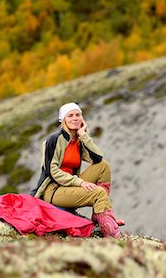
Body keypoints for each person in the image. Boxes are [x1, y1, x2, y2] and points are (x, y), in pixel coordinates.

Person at [30, 102, 124, 238]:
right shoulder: (54, 140)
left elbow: (97, 158)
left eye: (78, 115)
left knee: (104, 166)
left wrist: (84, 135)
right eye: (70, 116)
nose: (75, 118)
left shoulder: (78, 141)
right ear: (63, 120)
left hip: (71, 185)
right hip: (54, 191)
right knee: (99, 193)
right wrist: (80, 182)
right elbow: (52, 171)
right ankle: (111, 234)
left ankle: (102, 215)